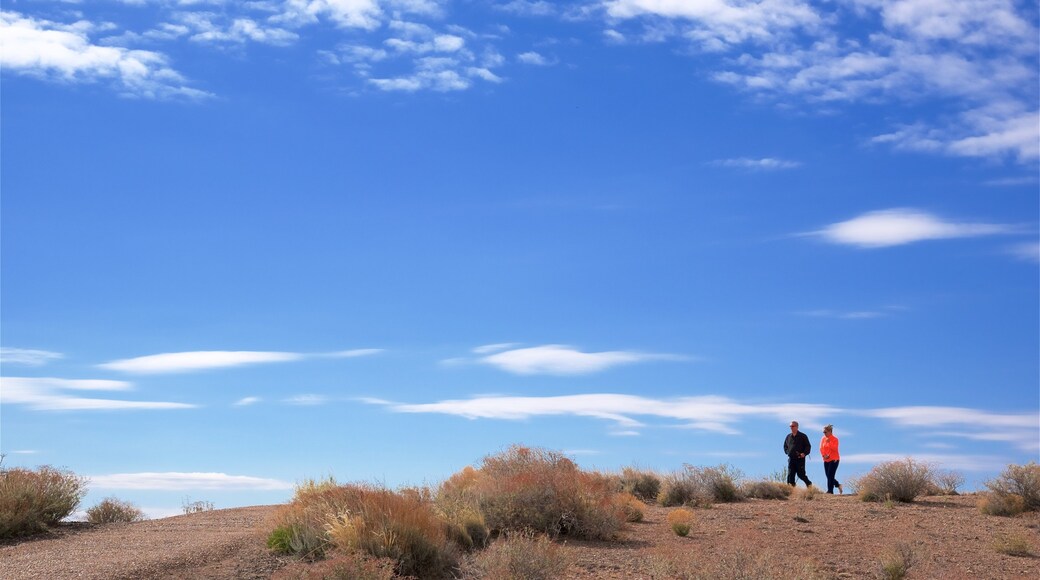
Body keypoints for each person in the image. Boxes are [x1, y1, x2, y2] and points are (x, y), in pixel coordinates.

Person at [783, 421, 813, 487]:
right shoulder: (788, 436)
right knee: (790, 475)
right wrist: (788, 452)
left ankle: (809, 484)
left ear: (797, 427)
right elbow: (785, 446)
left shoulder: (803, 436)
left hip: (800, 459)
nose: (791, 428)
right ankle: (791, 489)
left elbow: (808, 446)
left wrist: (804, 453)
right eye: (790, 426)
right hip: (791, 459)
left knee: (801, 474)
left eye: (792, 426)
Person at [820, 424, 843, 494]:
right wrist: (823, 455)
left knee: (830, 475)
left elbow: (835, 448)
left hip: (834, 459)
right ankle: (838, 484)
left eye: (825, 432)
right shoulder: (823, 439)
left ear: (830, 431)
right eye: (823, 432)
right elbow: (821, 448)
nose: (824, 433)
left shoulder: (835, 439)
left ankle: (830, 491)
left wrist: (829, 442)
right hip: (826, 459)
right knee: (828, 476)